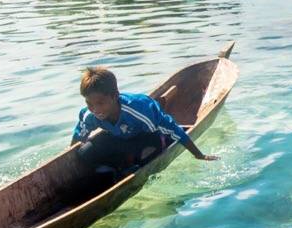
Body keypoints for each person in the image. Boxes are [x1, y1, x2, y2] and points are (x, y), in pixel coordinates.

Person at [71, 66, 217, 173]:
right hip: (122, 139)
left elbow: (173, 129)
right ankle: (115, 169)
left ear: (115, 96)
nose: (95, 109)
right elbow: (78, 137)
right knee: (84, 152)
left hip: (148, 136)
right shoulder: (90, 115)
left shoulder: (139, 111)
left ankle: (130, 167)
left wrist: (199, 155)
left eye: (100, 103)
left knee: (145, 157)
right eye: (89, 103)